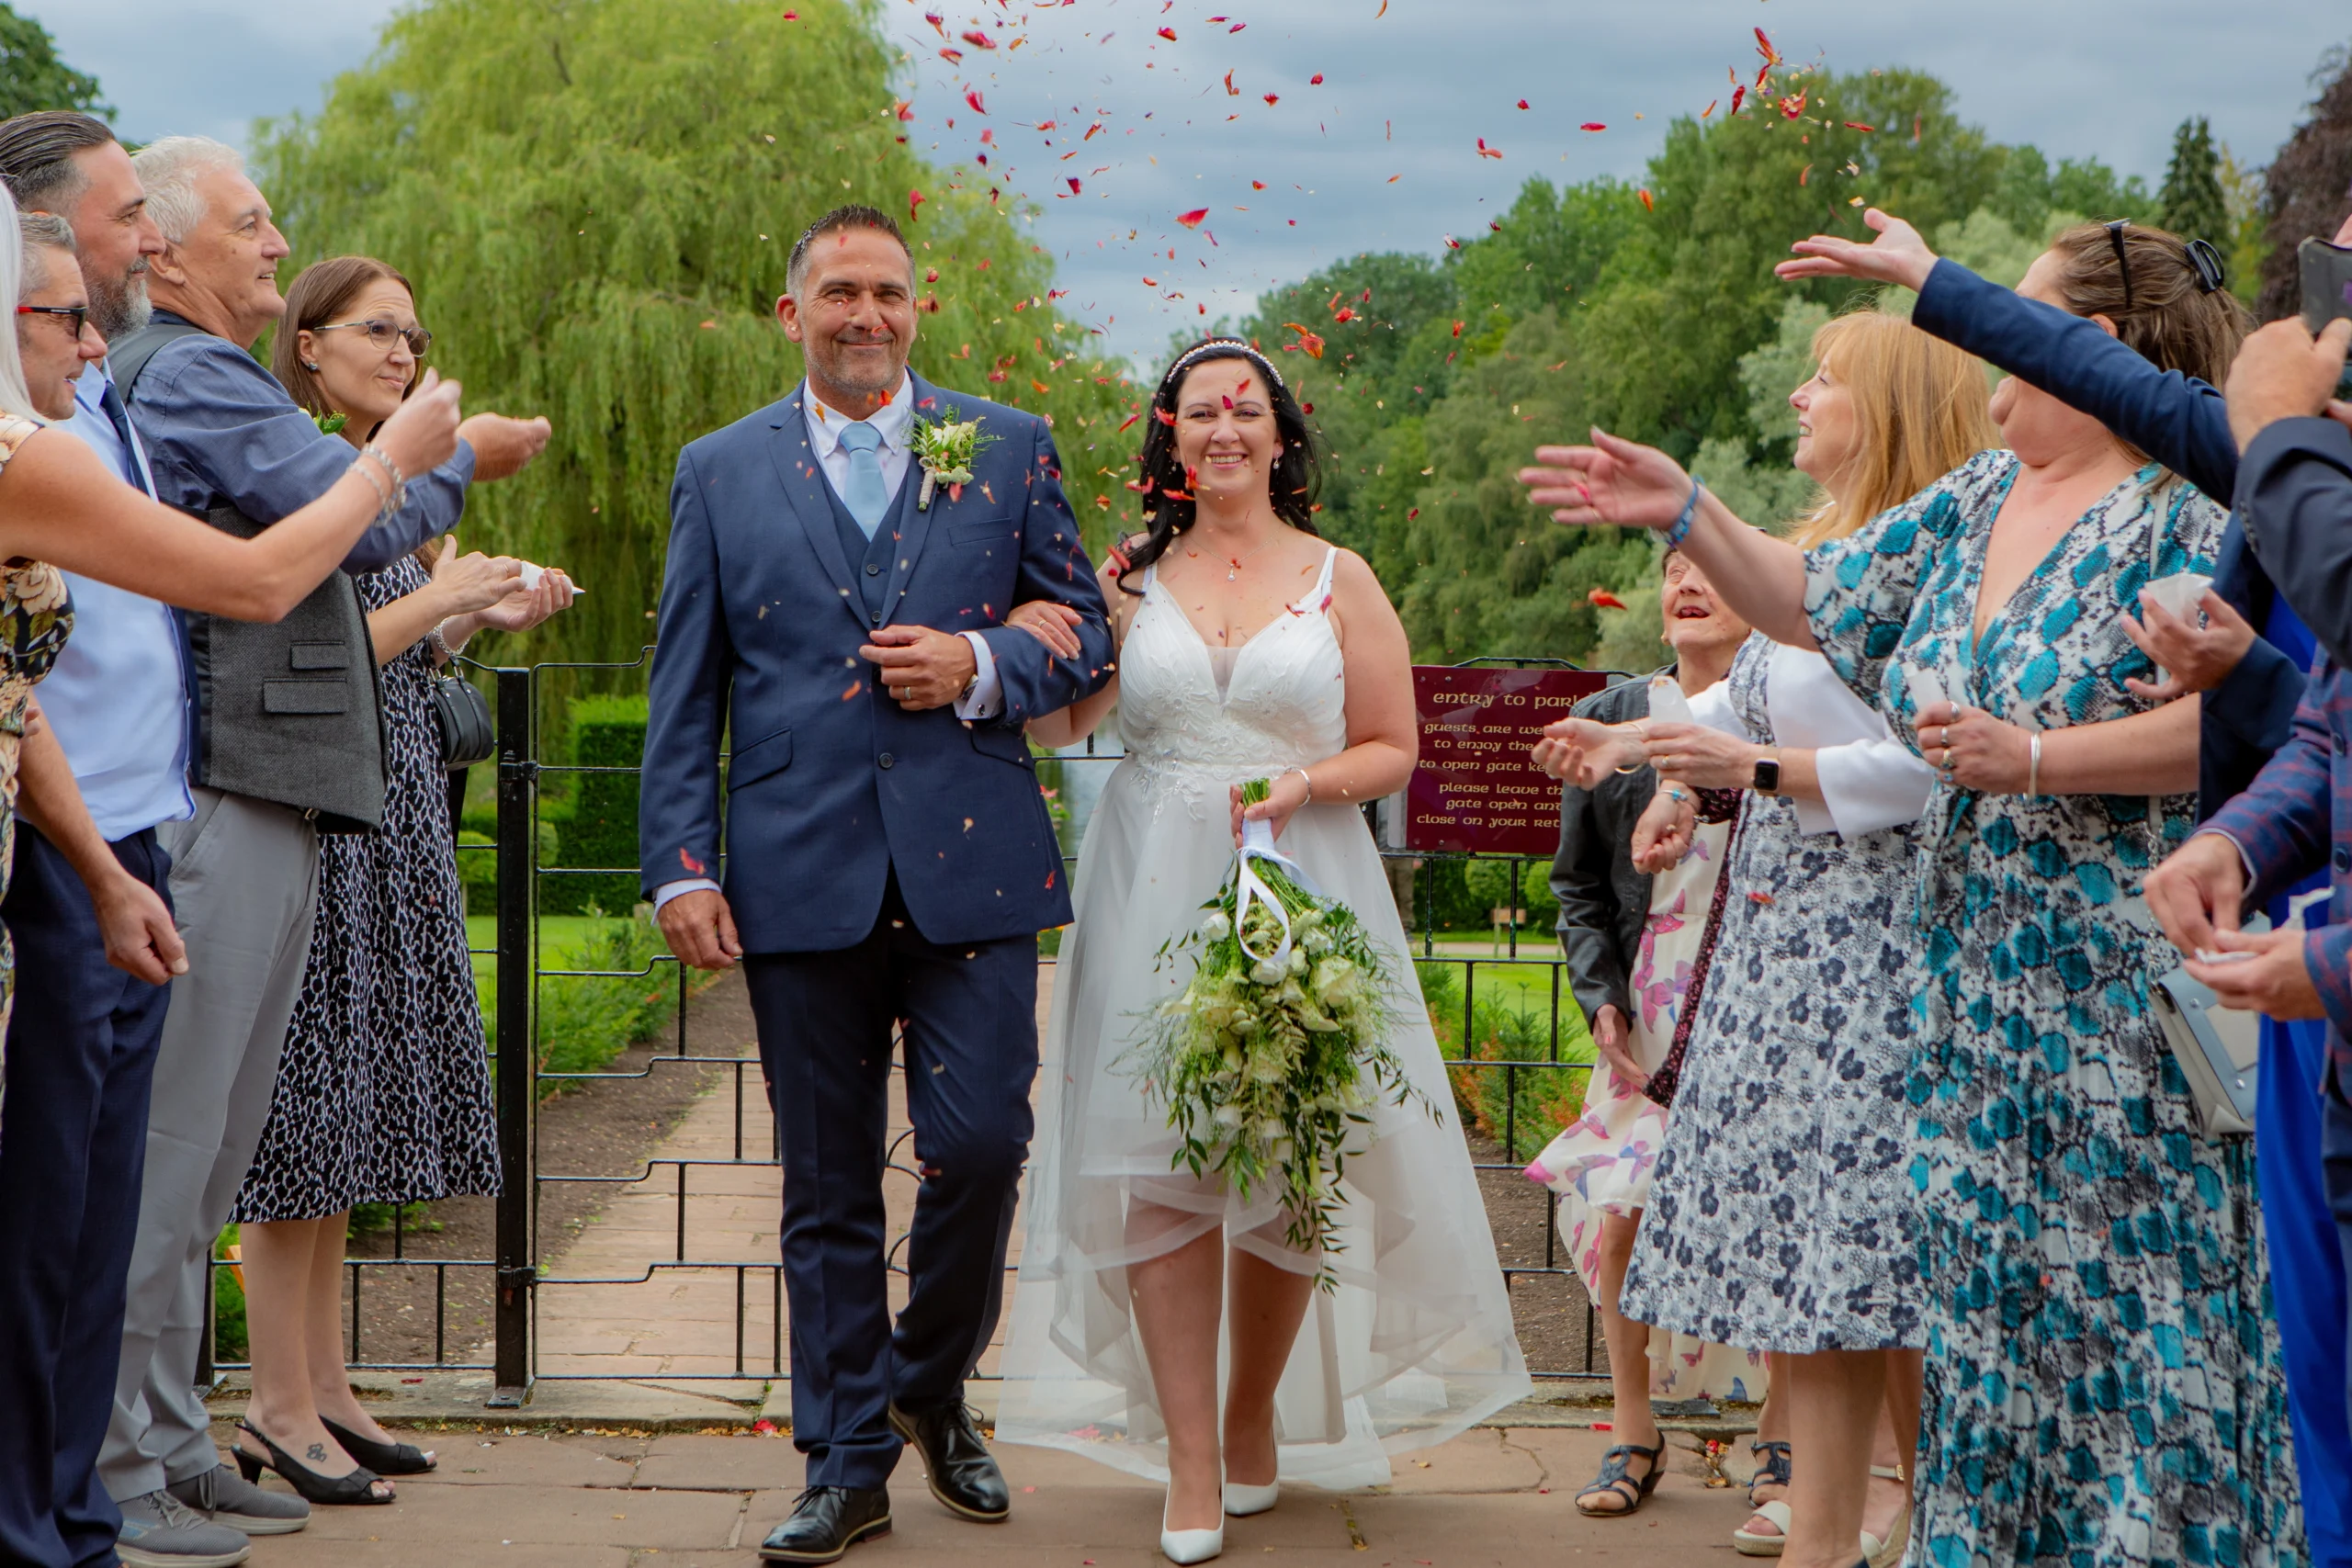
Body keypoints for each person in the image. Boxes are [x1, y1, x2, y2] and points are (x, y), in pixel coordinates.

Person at [1520, 220, 2303, 1568]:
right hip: (1968, 987)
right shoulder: (1977, 496)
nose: (1979, 344)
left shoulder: (2197, 506)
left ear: (2093, 349)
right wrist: (1691, 509)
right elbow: (1815, 598)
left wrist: (2041, 756)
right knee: (1985, 1325)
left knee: (2124, 1327)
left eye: (2012, 317)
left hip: (2117, 990)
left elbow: (2256, 729)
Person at [1780, 205, 2352, 1568]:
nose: (2326, 296)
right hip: (2063, 993)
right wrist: (2242, 819)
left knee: (2190, 1337)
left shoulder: (2239, 479)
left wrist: (2277, 435)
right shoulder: (2013, 491)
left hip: (2157, 999)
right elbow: (2328, 722)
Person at [992, 337, 1532, 1566]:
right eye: (1199, 411)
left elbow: (1396, 744)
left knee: (1287, 1153)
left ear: (1283, 435)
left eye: (1247, 408)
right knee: (1158, 1166)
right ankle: (1188, 1453)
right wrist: (1090, 621)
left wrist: (1299, 782)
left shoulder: (1344, 576)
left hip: (1301, 875)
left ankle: (1250, 1420)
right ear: (1170, 440)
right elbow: (1062, 721)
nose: (1224, 426)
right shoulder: (1133, 574)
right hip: (1152, 884)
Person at [639, 204, 1115, 1566]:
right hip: (796, 870)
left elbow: (1079, 632)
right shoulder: (720, 469)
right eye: (839, 292)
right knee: (826, 1179)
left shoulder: (1005, 444)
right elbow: (688, 689)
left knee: (981, 1146)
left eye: (889, 293)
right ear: (792, 314)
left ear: (919, 309)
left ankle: (928, 1379)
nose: (867, 314)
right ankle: (845, 1459)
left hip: (973, 860)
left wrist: (979, 663)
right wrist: (679, 861)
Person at [0, 180, 464, 1568]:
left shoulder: (75, 423)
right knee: (94, 1192)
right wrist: (414, 461)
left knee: (120, 1187)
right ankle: (86, 1487)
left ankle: (96, 1485)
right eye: (67, 313)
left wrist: (99, 859)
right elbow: (262, 582)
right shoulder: (44, 449)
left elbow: (15, 702)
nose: (94, 339)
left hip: (124, 830)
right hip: (155, 828)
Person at [98, 134, 546, 1548]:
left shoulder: (178, 374)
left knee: (215, 1151)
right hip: (237, 787)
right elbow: (348, 535)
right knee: (183, 1152)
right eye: (253, 224)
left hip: (282, 784)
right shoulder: (194, 374)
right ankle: (134, 1462)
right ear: (164, 250)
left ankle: (171, 1441)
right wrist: (445, 460)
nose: (278, 243)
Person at [1535, 310, 1983, 1564]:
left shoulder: (1944, 559)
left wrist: (1754, 767)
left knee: (1868, 1265)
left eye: (1824, 380)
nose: (1798, 393)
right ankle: (1829, 1539)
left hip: (1874, 951)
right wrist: (1646, 758)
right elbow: (1739, 700)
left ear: (1886, 405)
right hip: (1777, 962)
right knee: (1814, 1277)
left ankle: (1927, 1522)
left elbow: (1930, 764)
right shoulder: (1817, 548)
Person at [223, 255, 574, 1507]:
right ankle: (271, 1396)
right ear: (307, 346)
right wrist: (444, 594)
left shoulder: (395, 491)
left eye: (415, 332)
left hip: (396, 804)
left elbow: (402, 645)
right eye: (378, 329)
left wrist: (480, 608)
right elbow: (297, 649)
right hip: (328, 805)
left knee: (347, 1108)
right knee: (299, 1107)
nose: (404, 349)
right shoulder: (308, 471)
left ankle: (322, 1382)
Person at [1522, 550, 1776, 1518]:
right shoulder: (1620, 713)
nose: (1688, 582)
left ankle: (1782, 1445)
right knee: (1624, 1208)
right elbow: (1579, 885)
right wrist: (1600, 998)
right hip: (1651, 1007)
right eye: (1672, 569)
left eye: (1712, 566)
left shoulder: (1780, 709)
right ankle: (1633, 1434)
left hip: (1761, 999)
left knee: (1771, 1213)